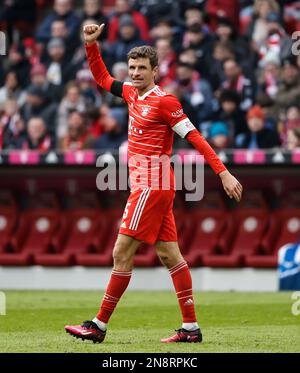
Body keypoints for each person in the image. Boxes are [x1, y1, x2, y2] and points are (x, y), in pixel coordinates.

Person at [65, 23, 243, 344]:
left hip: (152, 183)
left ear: (155, 71)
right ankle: (190, 328)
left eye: (141, 68)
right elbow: (104, 79)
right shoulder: (132, 93)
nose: (135, 73)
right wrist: (91, 45)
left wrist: (222, 172)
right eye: (132, 67)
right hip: (148, 184)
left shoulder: (166, 102)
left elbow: (195, 137)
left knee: (121, 252)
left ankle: (98, 324)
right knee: (170, 256)